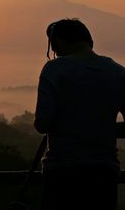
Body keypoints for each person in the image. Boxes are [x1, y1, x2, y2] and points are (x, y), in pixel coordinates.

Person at [34, 18, 125, 210]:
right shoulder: (118, 72)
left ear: (58, 42)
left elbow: (42, 123)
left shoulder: (54, 69)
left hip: (62, 169)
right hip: (104, 170)